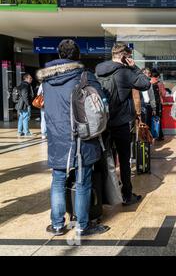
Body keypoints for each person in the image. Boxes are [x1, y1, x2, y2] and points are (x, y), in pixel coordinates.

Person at [36, 39, 109, 236]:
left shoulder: (46, 81)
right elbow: (101, 103)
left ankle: (58, 224)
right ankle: (82, 225)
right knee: (83, 181)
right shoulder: (84, 76)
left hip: (56, 136)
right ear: (78, 56)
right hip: (81, 136)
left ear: (59, 56)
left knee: (58, 179)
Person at [96, 43, 151, 206]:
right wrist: (134, 68)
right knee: (124, 159)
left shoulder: (98, 71)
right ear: (123, 57)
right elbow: (145, 84)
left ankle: (106, 194)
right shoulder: (125, 73)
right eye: (129, 57)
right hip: (120, 123)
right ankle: (127, 194)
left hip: (102, 123)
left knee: (106, 159)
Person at [15, 73, 34, 137]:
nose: (31, 79)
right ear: (26, 78)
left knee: (21, 118)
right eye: (30, 78)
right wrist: (28, 104)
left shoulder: (21, 84)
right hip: (24, 104)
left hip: (20, 104)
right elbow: (24, 95)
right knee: (26, 117)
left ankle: (19, 132)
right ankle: (26, 132)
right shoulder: (26, 85)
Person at [150, 69, 167, 141]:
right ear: (158, 76)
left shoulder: (148, 82)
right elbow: (164, 94)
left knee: (149, 119)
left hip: (149, 104)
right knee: (157, 119)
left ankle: (150, 135)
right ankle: (159, 135)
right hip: (158, 104)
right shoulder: (159, 83)